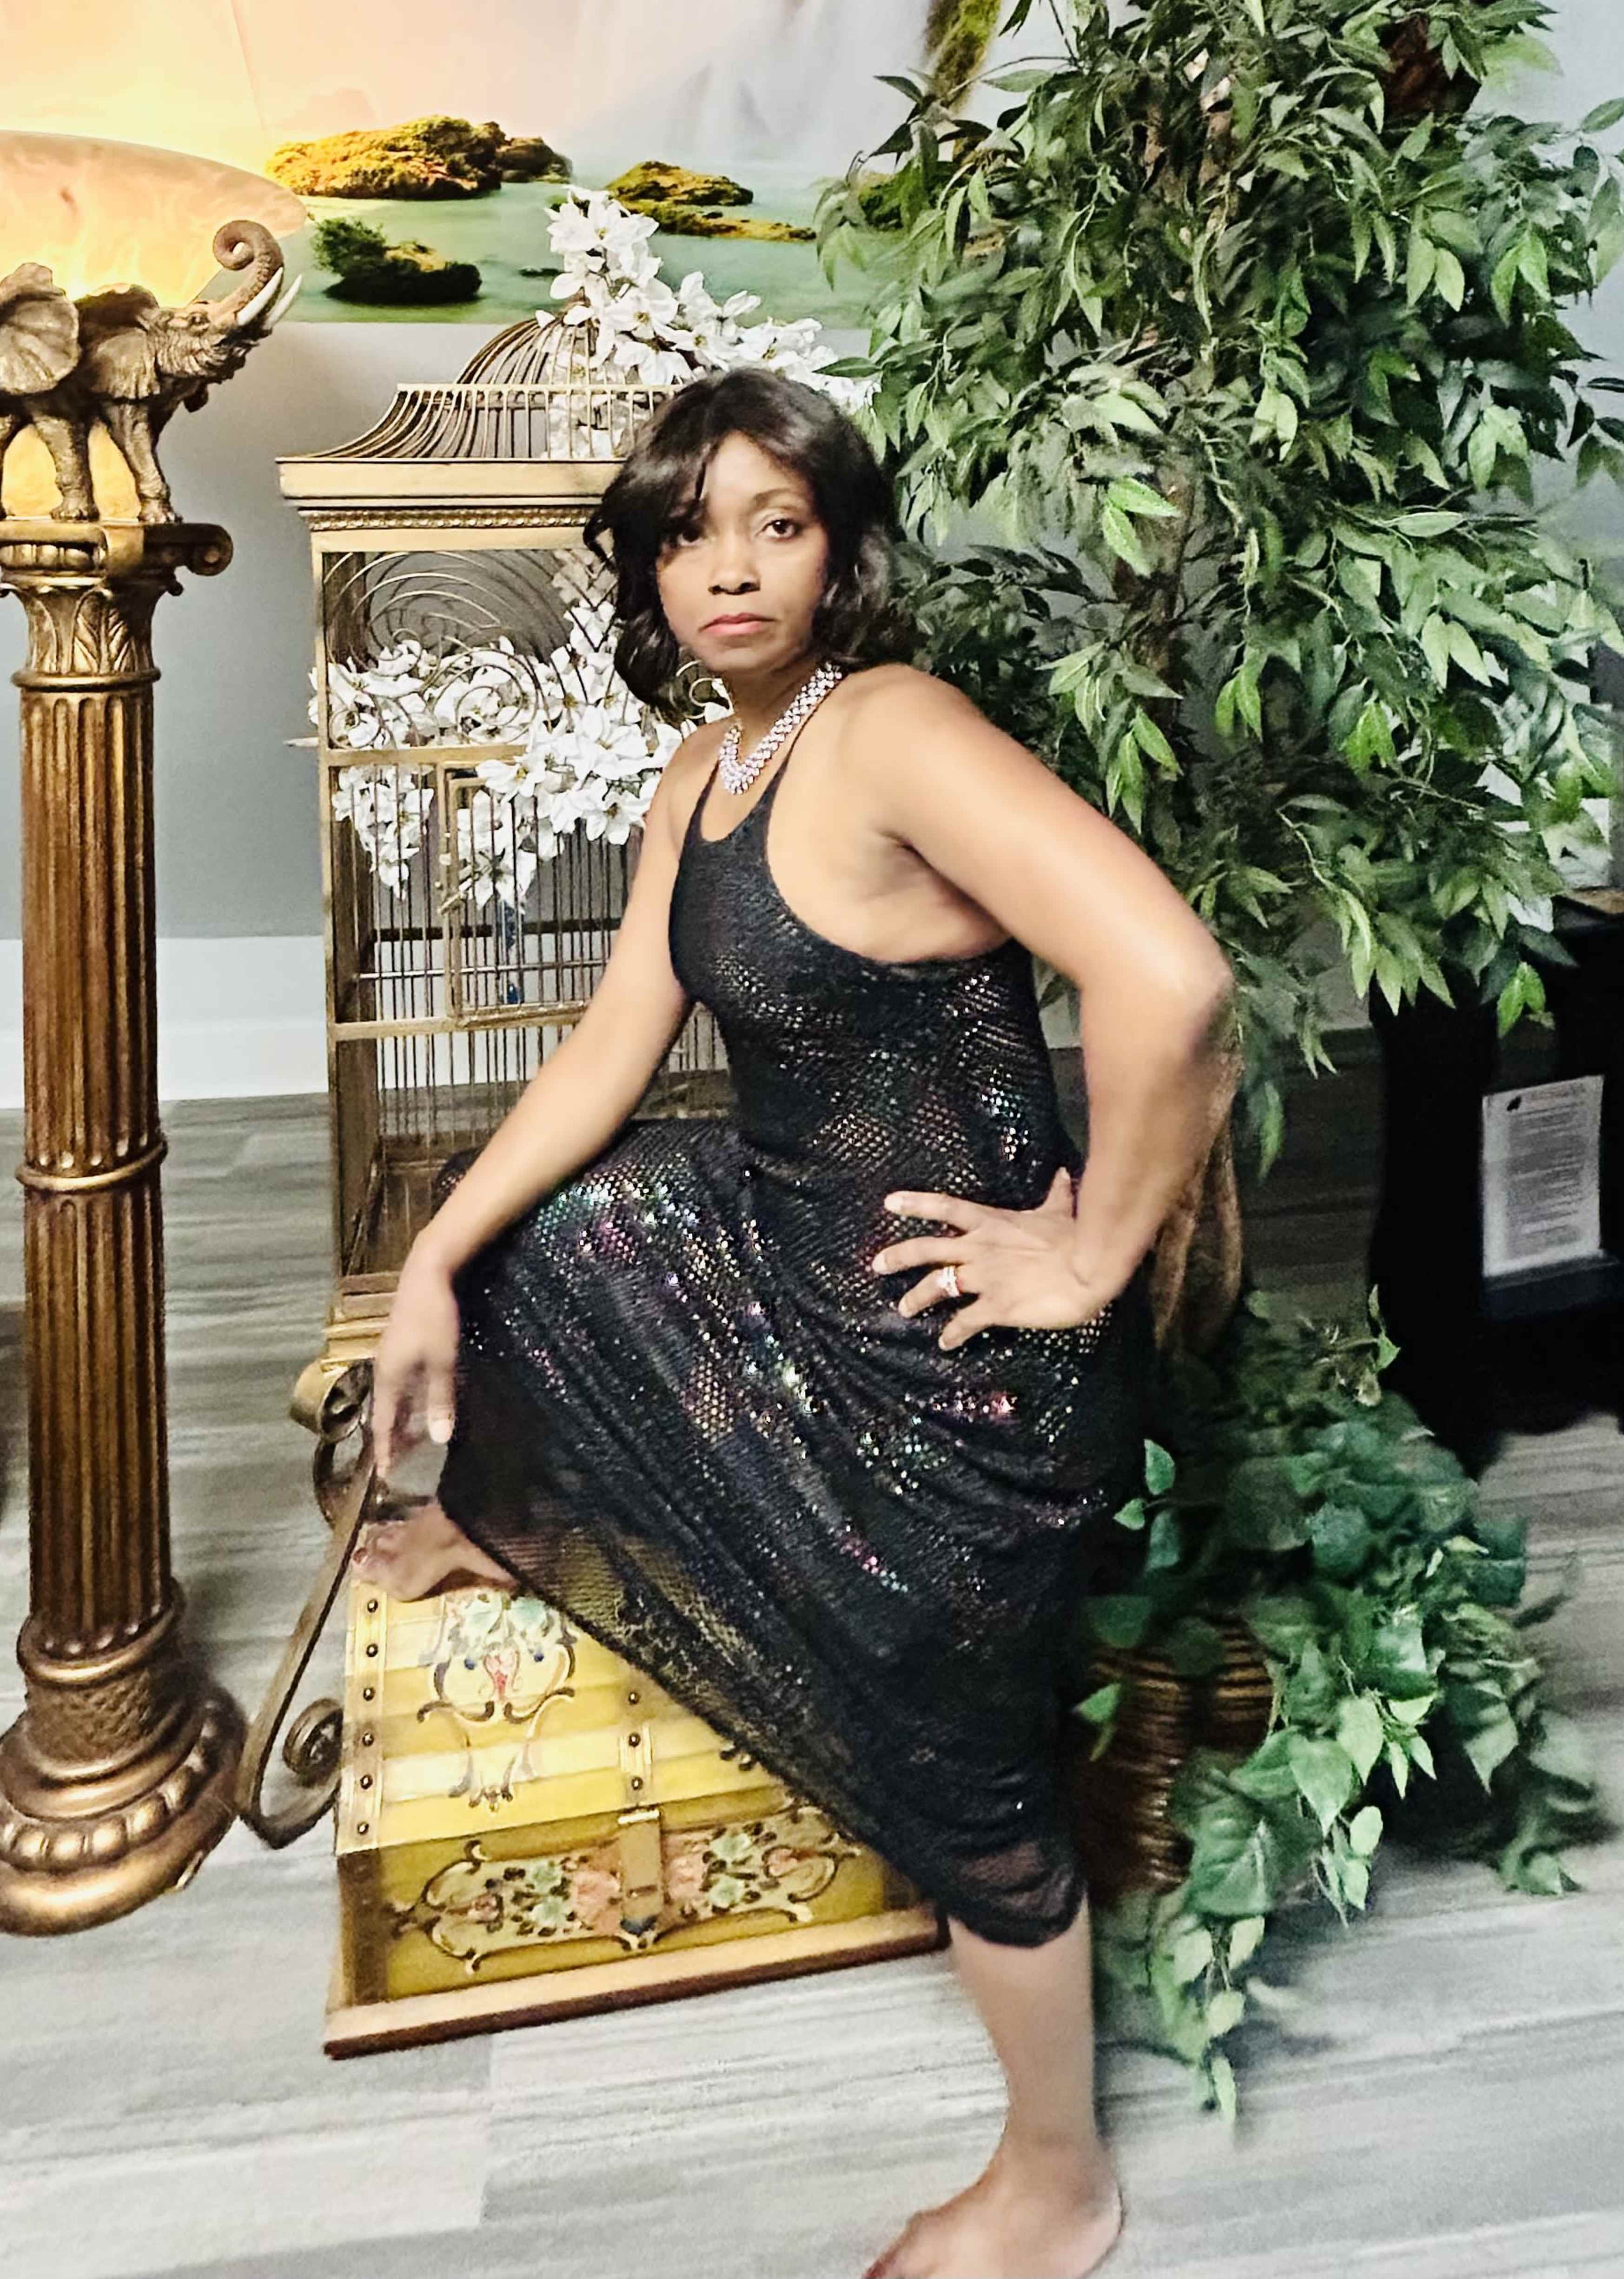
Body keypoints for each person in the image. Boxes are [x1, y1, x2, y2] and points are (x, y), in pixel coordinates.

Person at [354, 364, 1236, 2279]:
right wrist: (429, 1259)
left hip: (956, 1375)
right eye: (688, 533)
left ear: (840, 552)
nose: (729, 569)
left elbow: (1170, 981)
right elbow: (611, 1050)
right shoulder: (710, 771)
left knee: (962, 1763)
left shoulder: (895, 729)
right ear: (649, 570)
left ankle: (1061, 2177)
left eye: (777, 521)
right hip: (787, 1271)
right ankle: (514, 1529)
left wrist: (1084, 1261)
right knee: (539, 1244)